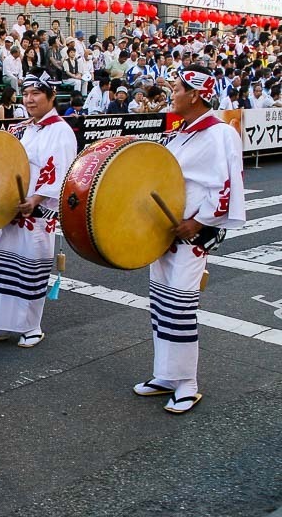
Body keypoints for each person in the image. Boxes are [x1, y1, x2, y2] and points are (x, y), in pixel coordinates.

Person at [133, 65, 246, 414]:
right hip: (165, 234)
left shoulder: (219, 134)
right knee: (162, 305)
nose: (171, 95)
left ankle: (187, 383)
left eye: (177, 89)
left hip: (190, 237)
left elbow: (225, 187)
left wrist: (197, 222)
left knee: (180, 307)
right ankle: (166, 374)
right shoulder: (182, 133)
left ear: (195, 94)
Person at [0, 68, 77, 347]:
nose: (29, 99)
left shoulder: (61, 131)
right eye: (25, 94)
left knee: (28, 269)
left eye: (36, 93)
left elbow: (57, 171)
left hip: (34, 212)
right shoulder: (25, 128)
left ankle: (31, 326)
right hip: (11, 209)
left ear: (51, 97)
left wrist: (36, 200)